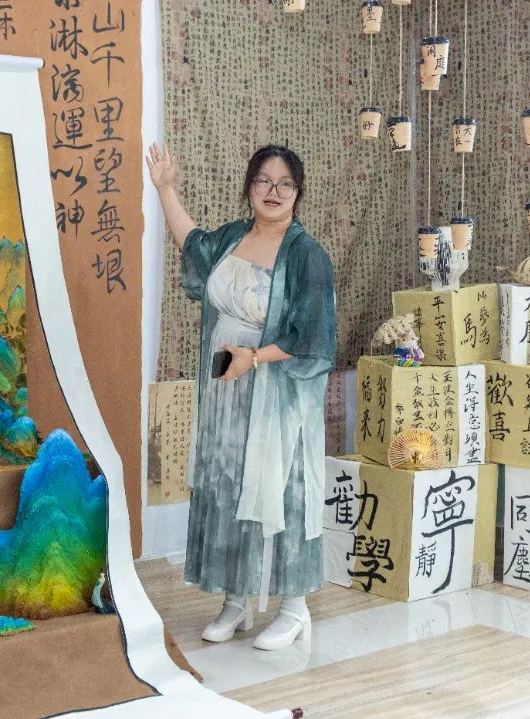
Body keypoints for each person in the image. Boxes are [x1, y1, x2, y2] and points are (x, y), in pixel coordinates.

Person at [145, 143, 336, 651]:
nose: (274, 191)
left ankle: (294, 607)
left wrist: (254, 357)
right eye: (263, 181)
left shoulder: (307, 256)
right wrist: (165, 188)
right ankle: (236, 599)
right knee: (227, 484)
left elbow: (313, 338)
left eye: (285, 183)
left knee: (280, 489)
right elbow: (193, 246)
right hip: (224, 392)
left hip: (278, 394)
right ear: (249, 187)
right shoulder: (233, 237)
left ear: (298, 192)